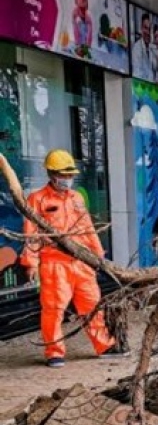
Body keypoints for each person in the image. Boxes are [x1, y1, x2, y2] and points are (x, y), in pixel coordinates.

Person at [17, 150, 128, 368]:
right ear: (51, 173)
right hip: (54, 264)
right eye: (63, 174)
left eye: (70, 175)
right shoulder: (37, 199)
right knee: (54, 309)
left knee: (93, 305)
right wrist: (30, 263)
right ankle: (54, 352)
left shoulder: (76, 198)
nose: (67, 179)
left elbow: (87, 227)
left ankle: (104, 346)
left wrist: (98, 256)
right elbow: (31, 234)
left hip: (81, 262)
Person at [131, 13, 153, 80]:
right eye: (145, 28)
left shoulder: (152, 48)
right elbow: (136, 74)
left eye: (149, 29)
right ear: (141, 28)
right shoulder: (136, 48)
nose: (148, 32)